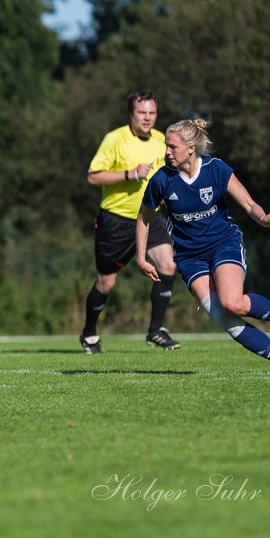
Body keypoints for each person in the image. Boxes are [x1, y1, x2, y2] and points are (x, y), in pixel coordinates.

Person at [136, 118, 270, 374]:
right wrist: (141, 258)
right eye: (166, 145)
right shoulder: (162, 180)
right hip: (189, 258)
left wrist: (264, 219)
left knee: (233, 302)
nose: (166, 151)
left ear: (190, 149)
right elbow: (143, 218)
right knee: (225, 318)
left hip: (223, 243)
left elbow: (250, 205)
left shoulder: (215, 169)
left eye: (172, 146)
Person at [81, 91, 180, 354]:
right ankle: (89, 333)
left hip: (149, 216)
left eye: (152, 113)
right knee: (107, 283)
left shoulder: (161, 140)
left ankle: (155, 330)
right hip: (115, 220)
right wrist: (129, 173)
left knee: (167, 264)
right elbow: (93, 177)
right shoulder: (114, 139)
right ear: (131, 114)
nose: (148, 118)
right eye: (142, 112)